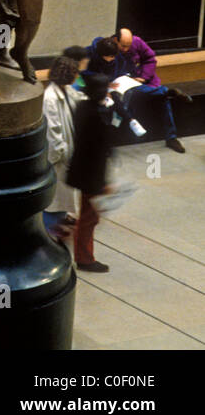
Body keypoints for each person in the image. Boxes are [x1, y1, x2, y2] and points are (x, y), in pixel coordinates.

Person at [87, 31, 186, 153]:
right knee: (112, 104)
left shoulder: (130, 47)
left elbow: (149, 59)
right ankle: (115, 135)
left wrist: (141, 76)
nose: (125, 49)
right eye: (123, 46)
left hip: (126, 82)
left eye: (128, 45)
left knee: (158, 96)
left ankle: (171, 136)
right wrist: (103, 83)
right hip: (105, 87)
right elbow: (84, 74)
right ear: (115, 40)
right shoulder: (91, 53)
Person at [66, 74, 118, 273]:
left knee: (86, 215)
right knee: (89, 218)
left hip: (82, 171)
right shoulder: (98, 116)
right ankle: (85, 259)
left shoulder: (82, 108)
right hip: (91, 174)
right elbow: (99, 150)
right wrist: (102, 182)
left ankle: (69, 242)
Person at [42, 55, 81, 241]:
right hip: (59, 157)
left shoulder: (65, 90)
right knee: (55, 199)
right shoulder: (50, 98)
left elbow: (78, 99)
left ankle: (60, 220)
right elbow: (53, 131)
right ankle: (50, 234)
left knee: (64, 196)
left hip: (68, 153)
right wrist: (62, 153)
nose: (77, 76)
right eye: (75, 72)